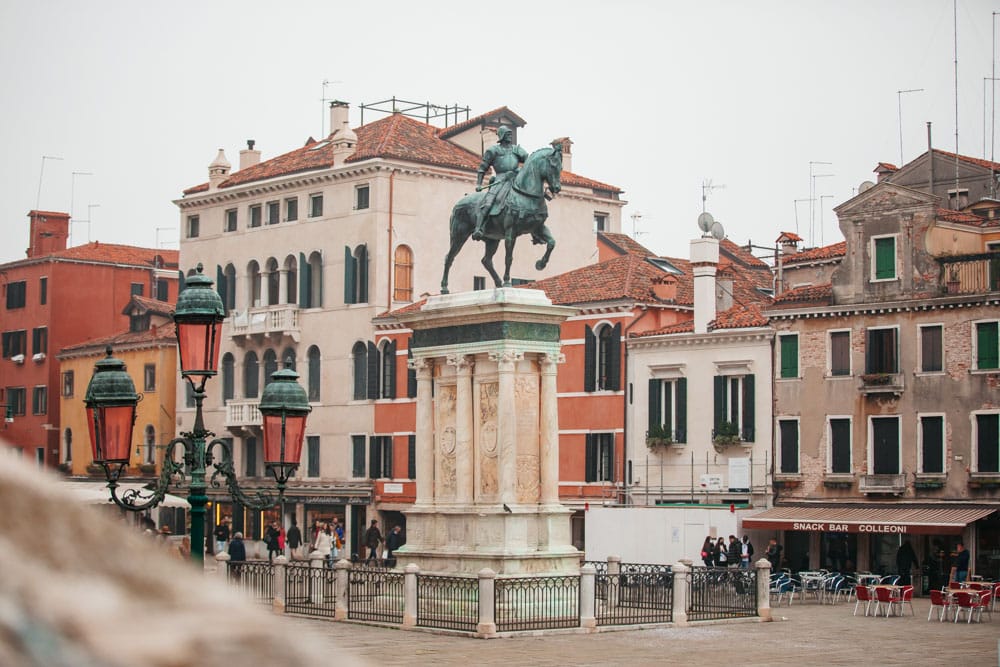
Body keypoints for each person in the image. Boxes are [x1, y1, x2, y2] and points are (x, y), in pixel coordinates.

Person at [471, 124, 529, 241]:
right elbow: (482, 168)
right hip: (500, 180)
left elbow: (529, 161)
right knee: (488, 203)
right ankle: (479, 228)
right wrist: (479, 184)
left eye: (510, 134)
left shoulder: (517, 149)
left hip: (515, 178)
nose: (510, 136)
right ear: (501, 135)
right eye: (507, 134)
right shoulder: (493, 150)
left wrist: (517, 170)